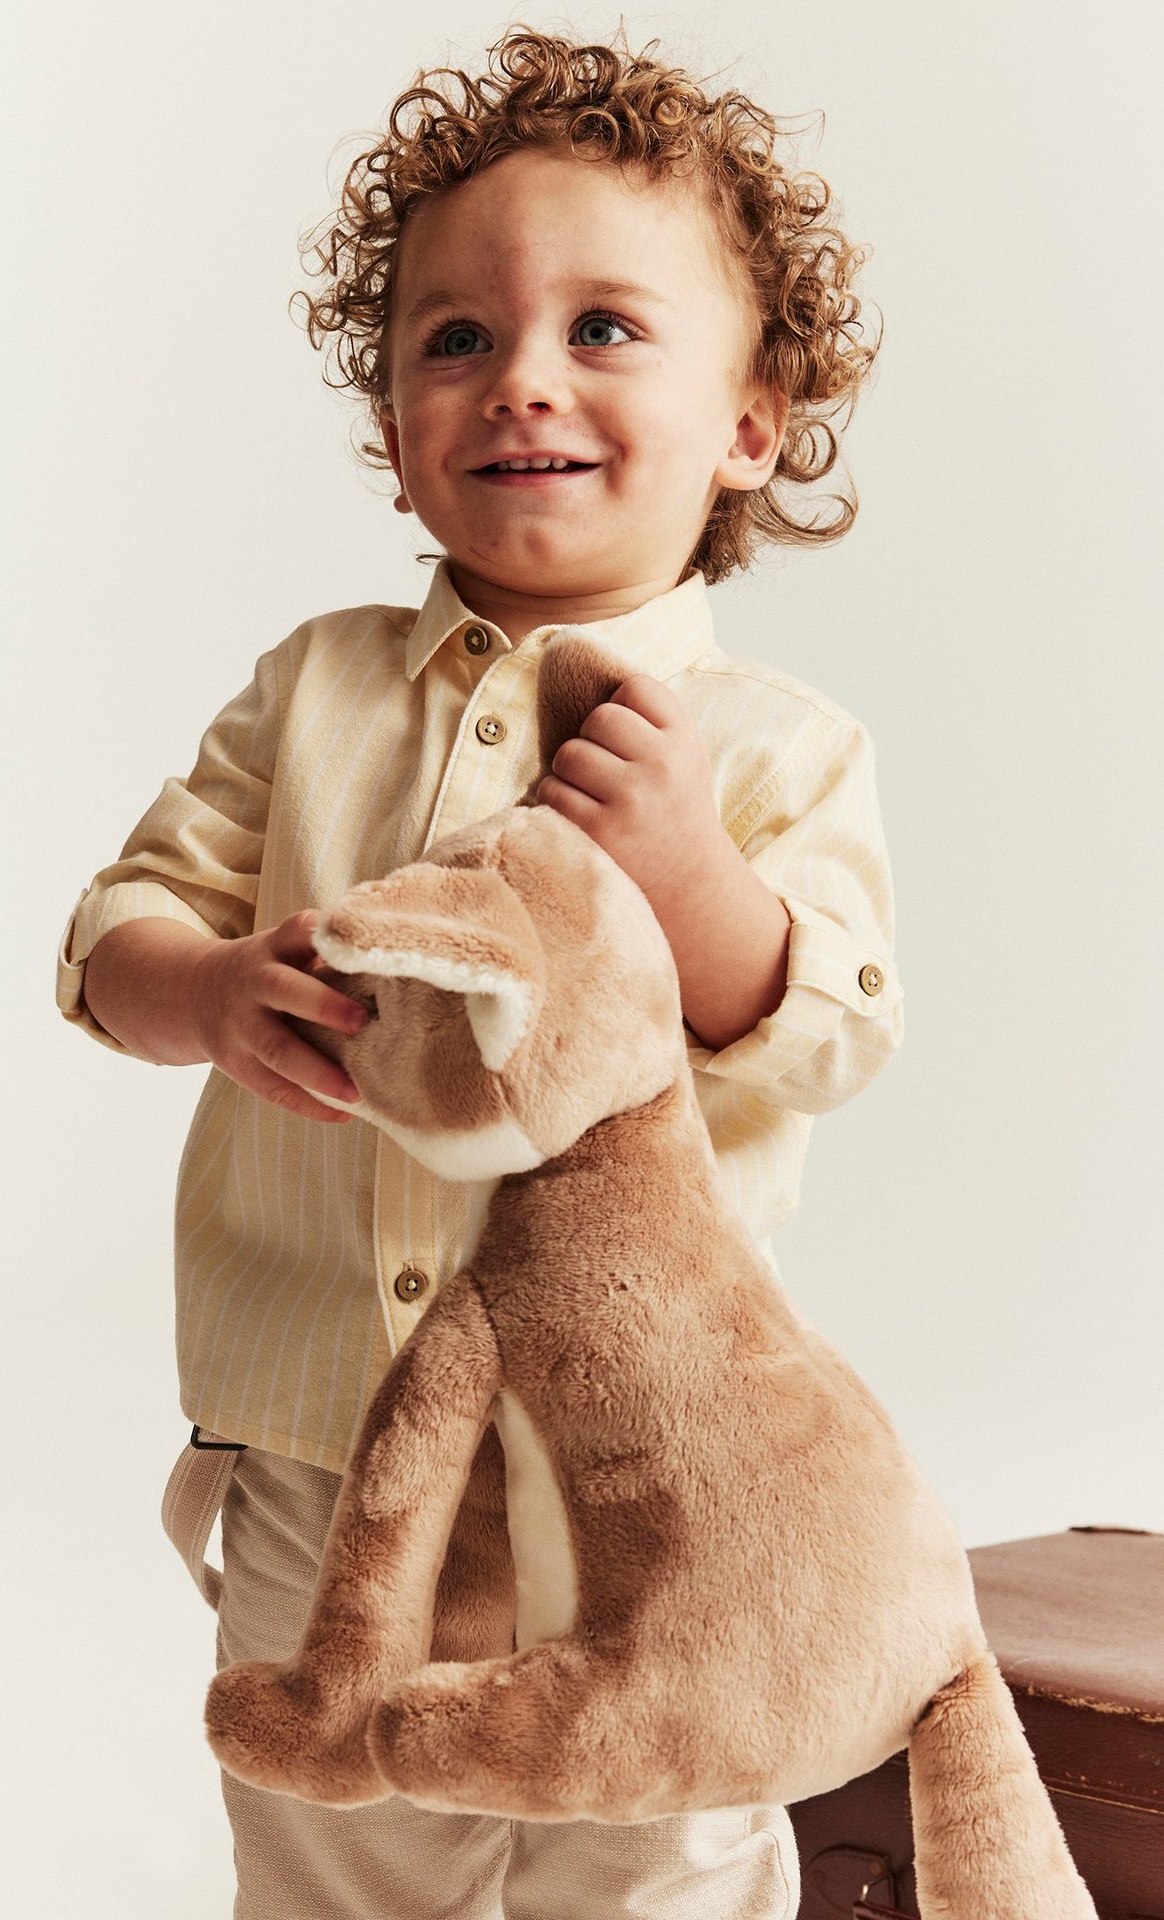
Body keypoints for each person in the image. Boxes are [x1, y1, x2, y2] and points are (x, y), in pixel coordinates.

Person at [56, 25, 904, 1919]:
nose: (522, 377)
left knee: (659, 1847)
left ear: (750, 423)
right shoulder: (313, 687)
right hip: (326, 1442)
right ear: (394, 429)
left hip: (650, 1464)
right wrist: (205, 988)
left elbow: (829, 1032)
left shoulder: (775, 749)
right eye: (455, 337)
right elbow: (115, 931)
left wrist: (694, 881)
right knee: (338, 1836)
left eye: (604, 328)